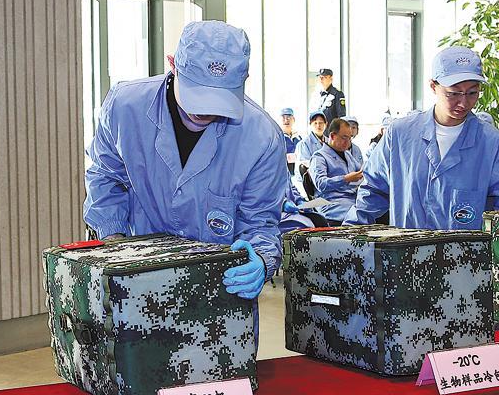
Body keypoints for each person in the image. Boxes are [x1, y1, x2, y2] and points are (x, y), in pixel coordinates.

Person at [84, 20, 287, 303]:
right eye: (198, 93)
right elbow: (106, 177)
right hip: (140, 281)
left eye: (219, 98)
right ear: (173, 65)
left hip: (220, 288)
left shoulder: (262, 138)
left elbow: (260, 221)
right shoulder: (124, 108)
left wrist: (262, 260)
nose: (204, 111)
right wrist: (114, 241)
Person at [347, 47, 499, 229]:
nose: (463, 102)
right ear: (433, 86)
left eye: (472, 93)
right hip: (407, 246)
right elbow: (372, 192)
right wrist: (346, 236)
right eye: (453, 93)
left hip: (469, 248)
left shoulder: (494, 145)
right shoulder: (399, 136)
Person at [309, 118, 364, 222]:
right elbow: (321, 184)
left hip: (351, 199)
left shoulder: (347, 154)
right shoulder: (319, 157)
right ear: (333, 136)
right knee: (361, 215)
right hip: (332, 203)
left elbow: (361, 170)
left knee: (379, 209)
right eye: (344, 137)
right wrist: (345, 179)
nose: (348, 142)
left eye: (350, 138)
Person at [296, 109, 327, 175]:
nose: (318, 126)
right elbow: (305, 165)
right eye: (315, 123)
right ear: (310, 125)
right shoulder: (304, 144)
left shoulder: (329, 141)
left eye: (321, 123)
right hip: (310, 178)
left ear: (326, 124)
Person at [279, 107, 302, 176]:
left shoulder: (299, 138)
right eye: (283, 118)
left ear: (293, 120)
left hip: (297, 174)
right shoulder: (277, 138)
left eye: (289, 117)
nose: (286, 120)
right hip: (283, 174)